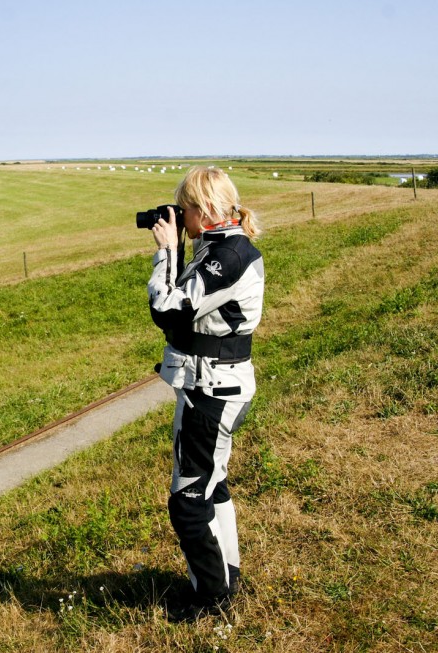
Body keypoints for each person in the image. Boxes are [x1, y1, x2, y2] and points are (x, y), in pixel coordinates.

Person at [147, 165, 264, 622]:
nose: (180, 215)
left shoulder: (227, 257)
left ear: (206, 209)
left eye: (185, 207)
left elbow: (167, 307)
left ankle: (210, 598)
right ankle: (226, 578)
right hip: (208, 385)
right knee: (211, 486)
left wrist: (165, 253)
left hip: (213, 390)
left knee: (188, 500)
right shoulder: (218, 247)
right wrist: (179, 249)